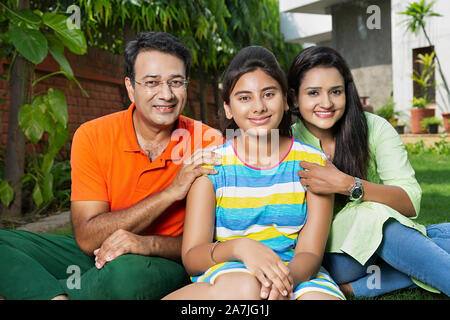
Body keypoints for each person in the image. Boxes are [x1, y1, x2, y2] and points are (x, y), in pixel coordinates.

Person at [0, 31, 223, 300]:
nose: (166, 94)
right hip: (96, 254)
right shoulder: (93, 135)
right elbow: (87, 238)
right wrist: (170, 193)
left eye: (176, 82)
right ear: (130, 88)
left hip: (159, 261)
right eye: (152, 82)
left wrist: (145, 243)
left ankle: (48, 290)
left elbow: (210, 242)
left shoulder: (208, 142)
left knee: (125, 274)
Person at [163, 46, 346, 300]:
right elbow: (193, 257)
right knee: (248, 290)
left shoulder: (312, 164)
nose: (258, 107)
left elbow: (310, 254)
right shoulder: (211, 167)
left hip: (296, 273)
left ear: (285, 100)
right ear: (228, 107)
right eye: (244, 98)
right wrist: (240, 247)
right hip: (230, 272)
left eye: (268, 94)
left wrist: (281, 281)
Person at [288, 45, 450, 297]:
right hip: (333, 258)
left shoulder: (374, 128)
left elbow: (411, 202)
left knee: (442, 236)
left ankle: (359, 288)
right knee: (376, 215)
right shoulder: (288, 142)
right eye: (313, 93)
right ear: (295, 98)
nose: (326, 102)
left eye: (336, 91)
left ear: (347, 92)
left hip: (381, 246)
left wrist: (348, 184)